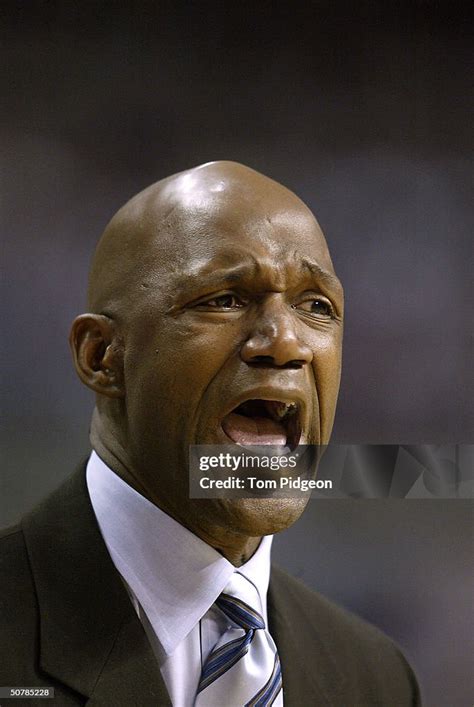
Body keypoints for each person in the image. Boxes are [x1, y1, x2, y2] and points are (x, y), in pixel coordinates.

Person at [0, 162, 420, 706]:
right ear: (101, 356)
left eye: (317, 306)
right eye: (224, 299)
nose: (285, 342)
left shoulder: (376, 679)